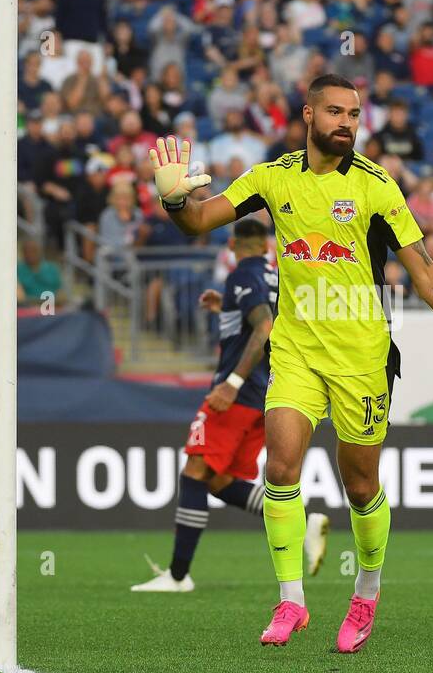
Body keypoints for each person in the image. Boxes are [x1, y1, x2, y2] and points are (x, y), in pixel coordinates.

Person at [148, 74, 433, 651]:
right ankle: (291, 601)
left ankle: (366, 594)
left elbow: (423, 268)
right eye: (335, 111)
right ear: (308, 114)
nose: (347, 122)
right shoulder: (273, 178)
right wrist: (175, 199)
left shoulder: (377, 187)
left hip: (362, 356)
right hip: (297, 349)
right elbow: (200, 220)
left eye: (353, 113)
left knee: (359, 484)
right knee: (280, 469)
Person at [132, 219, 330, 592]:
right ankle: (305, 522)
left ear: (235, 245)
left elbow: (265, 326)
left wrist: (232, 383)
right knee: (220, 481)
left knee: (195, 469)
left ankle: (177, 576)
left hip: (238, 393)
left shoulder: (243, 273)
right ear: (266, 247)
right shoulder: (275, 276)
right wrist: (227, 307)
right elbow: (269, 319)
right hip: (266, 393)